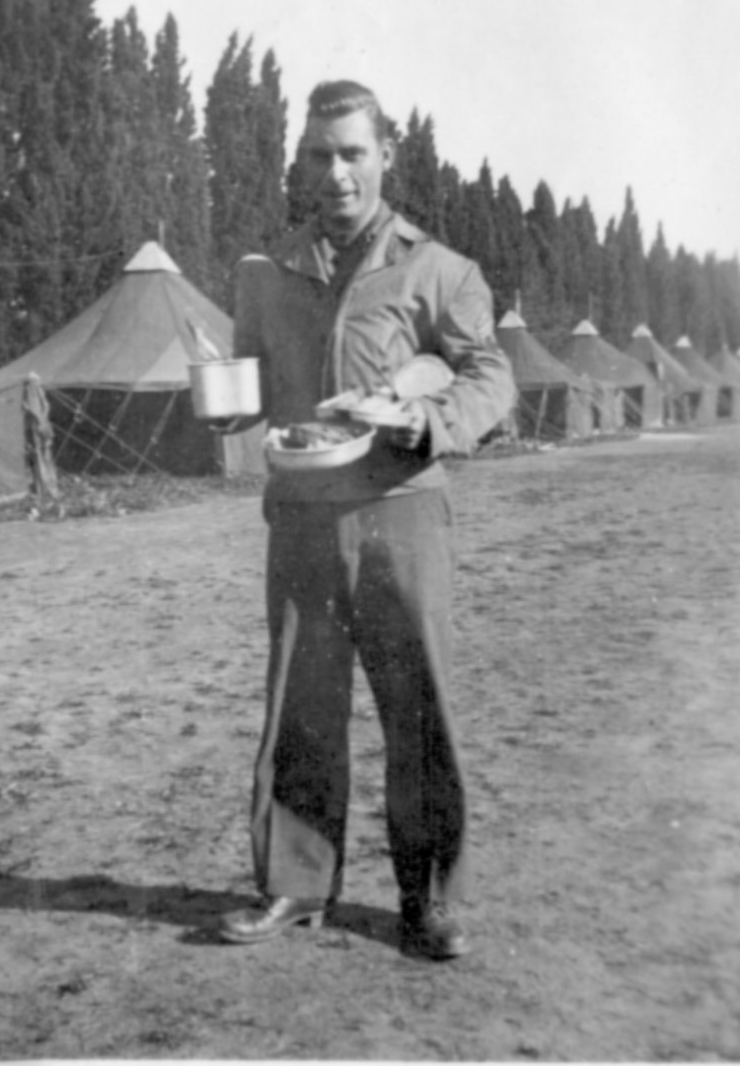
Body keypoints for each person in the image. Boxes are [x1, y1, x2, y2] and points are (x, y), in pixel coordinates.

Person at [216, 80, 515, 959]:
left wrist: (429, 419)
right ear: (299, 164)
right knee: (300, 707)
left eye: (352, 152)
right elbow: (252, 381)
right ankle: (296, 885)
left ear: (385, 155)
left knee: (415, 709)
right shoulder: (266, 273)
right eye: (320, 155)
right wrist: (228, 405)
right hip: (302, 516)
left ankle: (429, 901)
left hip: (401, 513)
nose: (336, 173)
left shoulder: (440, 270)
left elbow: (488, 375)